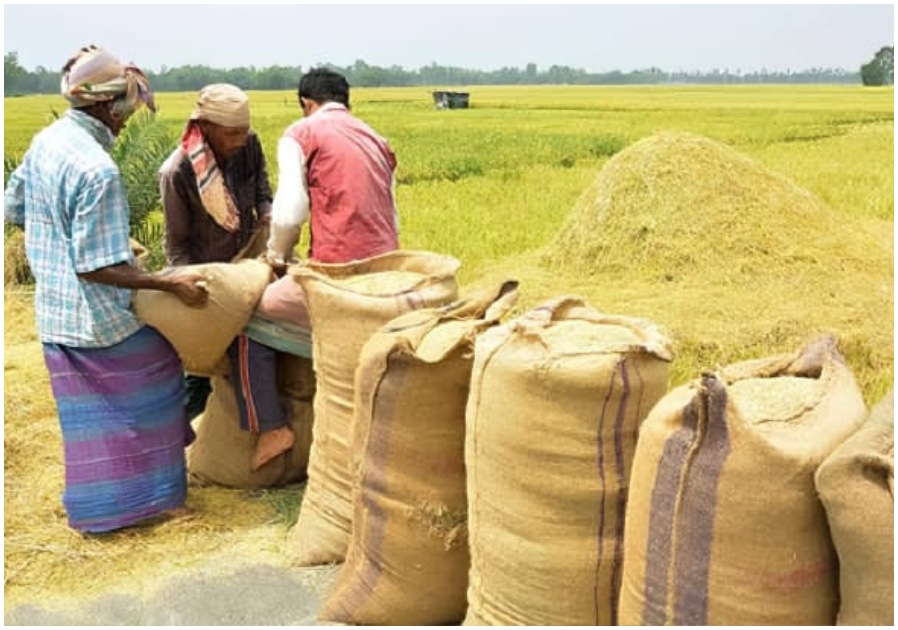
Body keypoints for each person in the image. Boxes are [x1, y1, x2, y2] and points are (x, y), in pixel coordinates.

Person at [3, 45, 209, 534]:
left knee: (89, 417)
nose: (126, 121)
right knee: (161, 373)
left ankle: (101, 506)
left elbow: (14, 209)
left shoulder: (47, 141)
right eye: (125, 110)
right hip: (97, 320)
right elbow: (96, 268)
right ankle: (160, 499)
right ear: (103, 106)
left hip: (55, 314)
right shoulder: (98, 170)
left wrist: (73, 232)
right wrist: (166, 281)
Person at [233, 67, 401, 471]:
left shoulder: (302, 133)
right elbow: (392, 216)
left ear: (306, 103)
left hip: (337, 275)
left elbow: (291, 210)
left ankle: (271, 427)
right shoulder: (377, 139)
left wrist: (276, 255)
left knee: (247, 320)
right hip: (387, 273)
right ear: (346, 101)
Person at [158, 84, 274, 420]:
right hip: (209, 281)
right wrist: (193, 289)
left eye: (243, 132)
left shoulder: (249, 145)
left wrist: (268, 212)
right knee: (201, 376)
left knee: (253, 355)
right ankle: (174, 438)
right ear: (206, 128)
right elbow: (177, 246)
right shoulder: (177, 173)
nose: (239, 140)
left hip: (249, 269)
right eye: (231, 134)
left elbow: (263, 188)